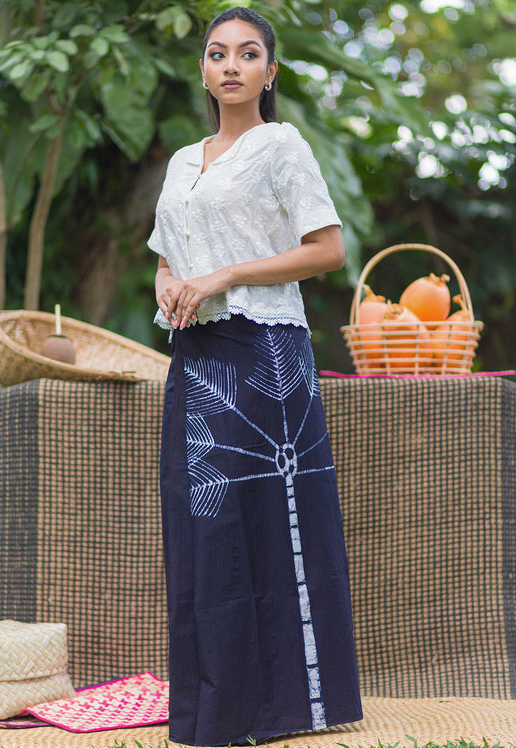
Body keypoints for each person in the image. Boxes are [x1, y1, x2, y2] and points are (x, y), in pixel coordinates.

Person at [148, 7, 363, 746]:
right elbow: (167, 254)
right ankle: (216, 711)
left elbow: (326, 249)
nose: (231, 65)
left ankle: (285, 707)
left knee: (274, 525)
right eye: (217, 54)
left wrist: (225, 276)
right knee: (200, 524)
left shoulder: (281, 146)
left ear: (269, 71)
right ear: (203, 70)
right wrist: (170, 285)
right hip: (197, 354)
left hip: (266, 352)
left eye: (247, 54)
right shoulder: (183, 161)